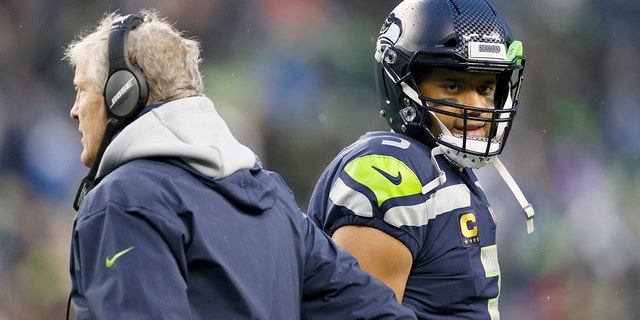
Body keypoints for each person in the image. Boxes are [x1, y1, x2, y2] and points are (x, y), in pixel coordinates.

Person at [63, 10, 417, 320]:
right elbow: (373, 311)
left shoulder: (123, 201)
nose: (75, 110)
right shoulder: (272, 196)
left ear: (123, 92)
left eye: (81, 90)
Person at [307, 0, 535, 319]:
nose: (477, 106)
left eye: (485, 87)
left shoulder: (449, 170)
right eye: (452, 86)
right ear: (403, 84)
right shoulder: (388, 170)